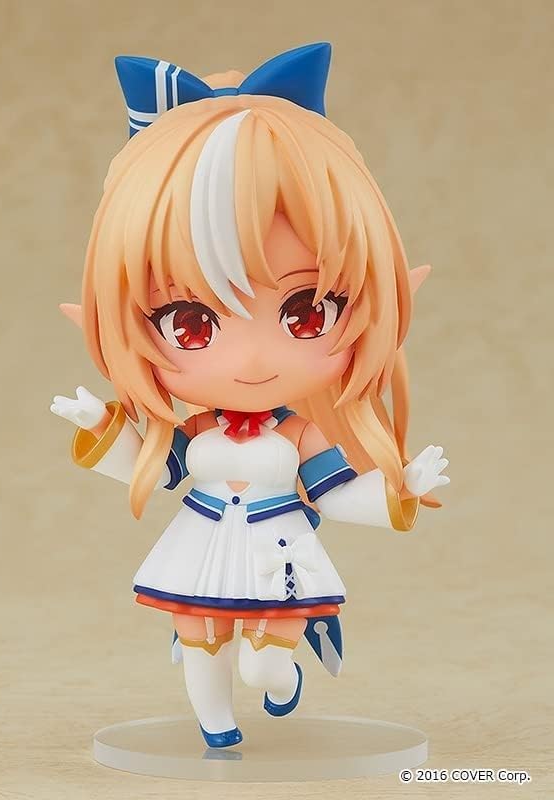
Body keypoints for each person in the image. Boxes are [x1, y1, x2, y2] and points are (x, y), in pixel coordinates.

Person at [50, 43, 449, 748]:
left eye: (307, 313)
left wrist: (400, 491)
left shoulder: (297, 435)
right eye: (191, 323)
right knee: (199, 640)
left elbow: (335, 494)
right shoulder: (197, 430)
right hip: (201, 545)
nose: (253, 359)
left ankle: (277, 676)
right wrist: (99, 426)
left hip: (280, 555)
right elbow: (154, 468)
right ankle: (216, 725)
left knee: (264, 659)